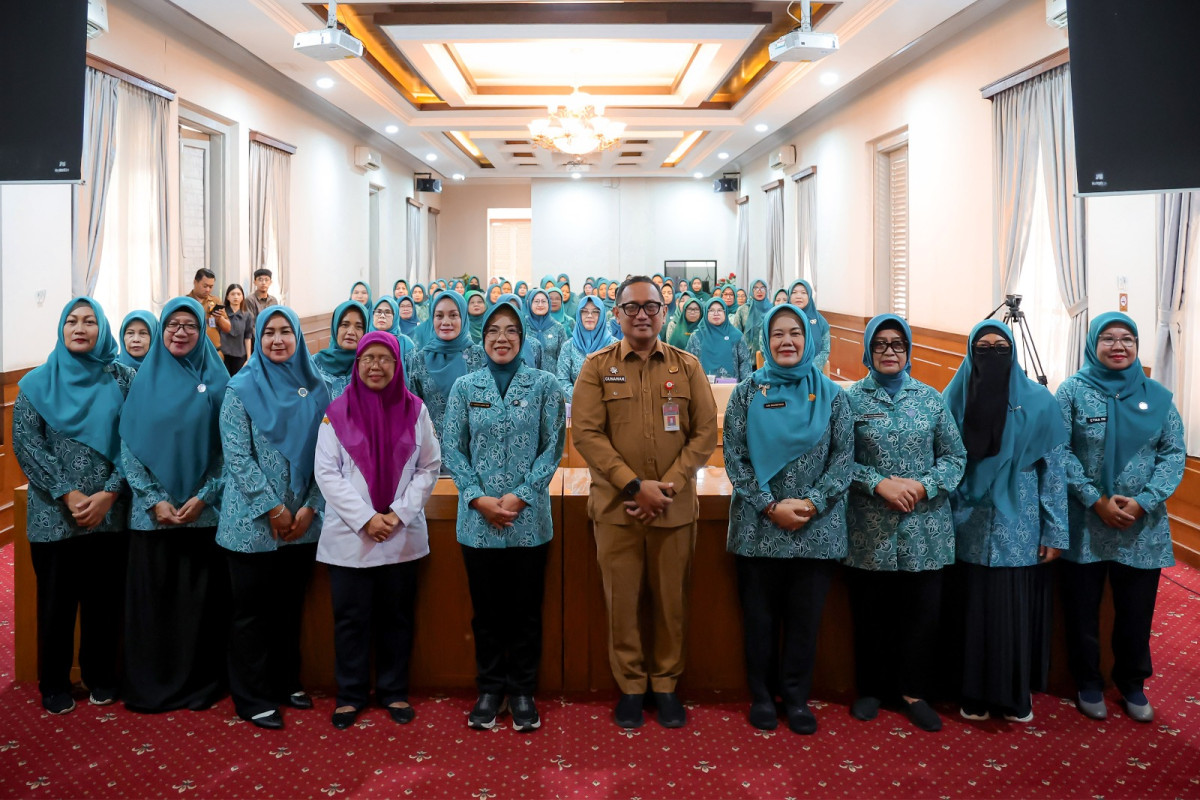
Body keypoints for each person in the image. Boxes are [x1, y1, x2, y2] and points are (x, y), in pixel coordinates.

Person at [571, 276, 718, 729]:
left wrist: (666, 488)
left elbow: (705, 433)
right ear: (616, 314)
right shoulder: (597, 367)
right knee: (622, 603)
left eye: (650, 307)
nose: (641, 315)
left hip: (673, 510)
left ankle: (666, 685)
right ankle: (632, 686)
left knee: (672, 603)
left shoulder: (687, 366)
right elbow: (587, 435)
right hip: (617, 511)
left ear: (663, 312)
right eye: (631, 307)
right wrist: (635, 487)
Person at [723, 304, 852, 734]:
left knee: (804, 621)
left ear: (808, 338)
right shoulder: (746, 393)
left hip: (816, 530)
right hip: (758, 528)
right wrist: (769, 505)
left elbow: (843, 461)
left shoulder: (834, 396)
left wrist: (811, 504)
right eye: (777, 334)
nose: (787, 341)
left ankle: (796, 698)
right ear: (765, 340)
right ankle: (761, 696)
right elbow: (735, 458)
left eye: (794, 333)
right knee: (759, 620)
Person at [1055, 312, 1185, 723]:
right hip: (1086, 522)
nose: (1118, 346)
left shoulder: (1157, 396)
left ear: (1137, 345)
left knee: (1136, 612)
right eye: (1108, 338)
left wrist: (1145, 501)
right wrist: (1094, 500)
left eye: (1127, 339)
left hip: (1141, 527)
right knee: (1082, 610)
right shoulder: (1072, 391)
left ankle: (1132, 683)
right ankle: (1088, 681)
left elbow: (1173, 453)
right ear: (1093, 344)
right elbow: (1059, 450)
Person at [443, 302, 566, 731]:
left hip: (528, 522)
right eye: (493, 330)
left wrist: (521, 496)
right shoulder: (465, 387)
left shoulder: (545, 384)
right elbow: (452, 447)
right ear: (483, 338)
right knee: (487, 613)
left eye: (511, 330)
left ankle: (523, 691)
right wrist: (478, 498)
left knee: (526, 612)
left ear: (523, 337)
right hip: (477, 523)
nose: (501, 338)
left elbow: (553, 447)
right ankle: (490, 689)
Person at [843, 314, 966, 732]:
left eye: (897, 344)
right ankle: (871, 689)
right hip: (869, 528)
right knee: (871, 613)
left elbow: (955, 457)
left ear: (908, 350)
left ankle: (914, 692)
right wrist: (877, 483)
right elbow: (837, 459)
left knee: (921, 614)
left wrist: (921, 485)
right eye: (880, 344)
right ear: (868, 350)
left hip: (924, 528)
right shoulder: (850, 400)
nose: (889, 351)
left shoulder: (931, 399)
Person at [943, 321, 1069, 723]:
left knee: (1009, 609)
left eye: (1002, 348)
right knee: (970, 607)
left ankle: (1014, 696)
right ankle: (971, 694)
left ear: (1014, 354)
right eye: (983, 349)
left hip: (1020, 523)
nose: (992, 355)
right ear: (970, 353)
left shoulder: (1040, 401)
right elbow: (940, 460)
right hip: (966, 520)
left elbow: (1055, 471)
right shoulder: (953, 398)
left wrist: (1055, 530)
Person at [315, 332, 441, 729]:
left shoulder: (416, 410)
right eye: (368, 358)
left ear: (397, 364)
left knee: (396, 617)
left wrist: (398, 515)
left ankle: (393, 690)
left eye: (385, 358)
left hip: (400, 535)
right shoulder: (336, 412)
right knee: (350, 619)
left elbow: (429, 467)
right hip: (351, 537)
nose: (375, 366)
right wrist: (367, 518)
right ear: (357, 364)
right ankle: (350, 694)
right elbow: (327, 473)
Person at [13, 297, 133, 713]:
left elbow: (135, 439)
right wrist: (68, 493)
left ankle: (101, 676)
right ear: (62, 328)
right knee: (55, 604)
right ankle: (54, 683)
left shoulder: (123, 379)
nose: (80, 328)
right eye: (72, 321)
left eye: (89, 321)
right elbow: (27, 445)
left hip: (109, 512)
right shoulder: (35, 384)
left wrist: (110, 492)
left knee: (104, 601)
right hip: (53, 515)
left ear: (103, 328)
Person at [217, 307, 329, 730]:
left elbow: (329, 456)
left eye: (286, 332)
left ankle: (285, 681)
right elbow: (237, 457)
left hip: (302, 523)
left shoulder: (318, 388)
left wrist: (310, 506)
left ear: (299, 338)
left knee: (288, 608)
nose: (278, 340)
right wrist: (274, 508)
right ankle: (252, 696)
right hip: (252, 525)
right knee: (251, 613)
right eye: (269, 333)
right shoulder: (240, 388)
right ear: (258, 339)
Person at [120, 297, 230, 713]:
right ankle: (151, 685)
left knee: (198, 607)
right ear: (161, 330)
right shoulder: (143, 381)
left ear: (202, 331)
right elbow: (128, 445)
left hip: (204, 515)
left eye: (190, 325)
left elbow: (229, 450)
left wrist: (204, 496)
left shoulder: (219, 383)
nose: (180, 332)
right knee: (155, 605)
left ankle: (199, 683)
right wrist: (153, 500)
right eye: (172, 325)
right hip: (153, 518)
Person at [404, 291, 486, 440]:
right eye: (439, 316)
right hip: (433, 447)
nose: (446, 322)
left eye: (453, 315)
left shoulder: (480, 357)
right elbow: (413, 411)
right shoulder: (420, 360)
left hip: (475, 445)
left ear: (463, 317)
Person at [555, 295, 613, 403]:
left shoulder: (614, 346)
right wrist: (582, 399)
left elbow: (621, 379)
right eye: (584, 311)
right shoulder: (569, 346)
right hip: (578, 407)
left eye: (595, 312)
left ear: (602, 315)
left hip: (609, 407)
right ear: (579, 314)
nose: (589, 315)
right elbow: (562, 380)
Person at [686, 298, 752, 381]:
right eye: (711, 310)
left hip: (731, 387)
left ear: (725, 312)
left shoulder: (736, 336)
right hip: (702, 385)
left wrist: (744, 386)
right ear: (706, 313)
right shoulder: (697, 336)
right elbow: (689, 364)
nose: (716, 314)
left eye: (720, 310)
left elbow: (745, 363)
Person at [313, 301, 368, 400]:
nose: (351, 332)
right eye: (345, 325)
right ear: (335, 328)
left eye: (359, 327)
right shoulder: (314, 364)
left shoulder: (370, 366)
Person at [788, 280, 830, 371]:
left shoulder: (821, 322)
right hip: (786, 372)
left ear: (809, 296)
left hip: (812, 373)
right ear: (789, 296)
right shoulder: (781, 319)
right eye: (794, 292)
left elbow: (825, 350)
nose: (799, 296)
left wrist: (810, 369)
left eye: (803, 292)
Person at [188, 268, 231, 354]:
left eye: (211, 287)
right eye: (205, 286)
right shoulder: (186, 302)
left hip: (214, 351)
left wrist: (219, 319)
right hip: (193, 351)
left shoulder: (215, 301)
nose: (208, 290)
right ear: (195, 282)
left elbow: (228, 328)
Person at [524, 288, 566, 374]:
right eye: (536, 301)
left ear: (548, 304)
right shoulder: (522, 325)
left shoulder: (558, 327)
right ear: (530, 303)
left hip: (552, 377)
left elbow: (563, 358)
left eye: (543, 301)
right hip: (527, 376)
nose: (540, 304)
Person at [218, 283, 254, 374]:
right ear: (227, 297)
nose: (236, 297)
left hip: (240, 356)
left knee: (238, 380)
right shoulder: (221, 314)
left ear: (242, 297)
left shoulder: (247, 315)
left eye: (238, 294)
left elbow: (248, 337)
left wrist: (248, 358)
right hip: (223, 354)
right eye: (232, 294)